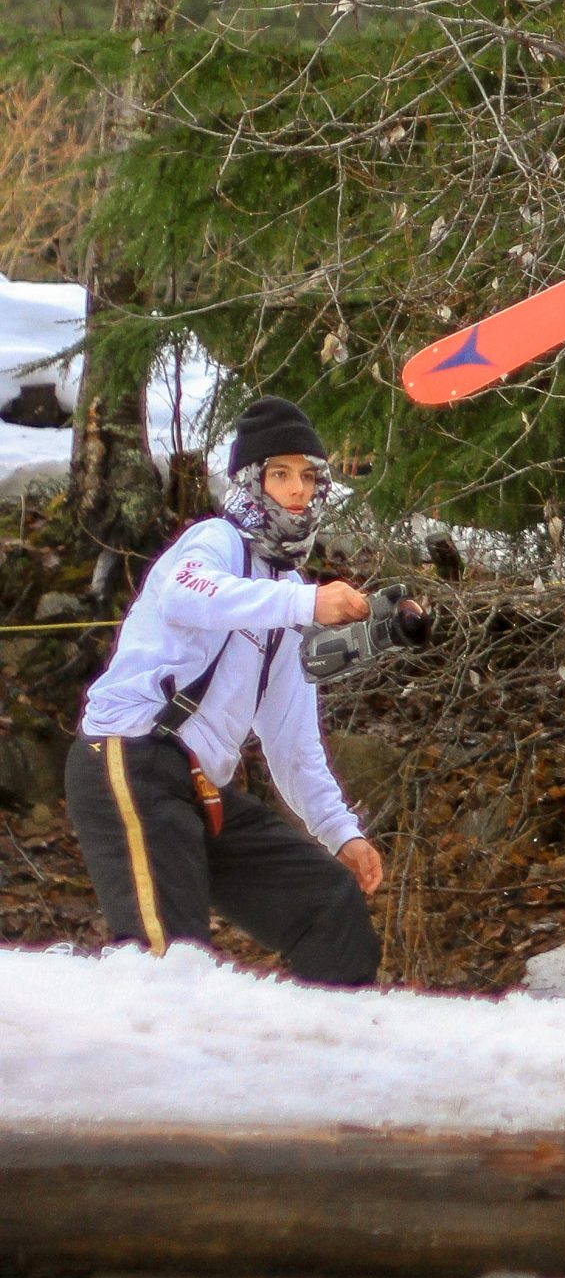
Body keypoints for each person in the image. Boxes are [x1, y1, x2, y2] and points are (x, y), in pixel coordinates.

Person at [66, 394, 383, 985]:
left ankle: (328, 1067)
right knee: (169, 966)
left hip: (196, 788)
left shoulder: (287, 591)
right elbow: (190, 594)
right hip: (127, 757)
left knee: (329, 903)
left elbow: (292, 743)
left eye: (309, 477)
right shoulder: (214, 542)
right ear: (250, 481)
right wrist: (308, 602)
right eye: (280, 473)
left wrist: (342, 832)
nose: (297, 489)